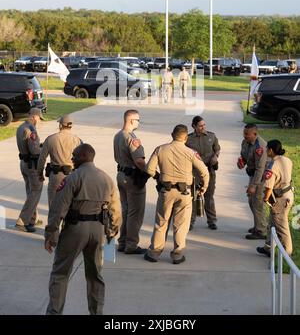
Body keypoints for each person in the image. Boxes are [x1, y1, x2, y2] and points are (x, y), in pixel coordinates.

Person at [44, 143, 121, 315]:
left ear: (83, 157)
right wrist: (112, 232)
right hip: (98, 230)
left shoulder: (72, 178)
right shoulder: (106, 178)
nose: (71, 159)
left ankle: (54, 312)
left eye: (74, 156)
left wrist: (51, 233)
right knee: (95, 275)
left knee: (60, 273)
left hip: (75, 229)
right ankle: (96, 312)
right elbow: (116, 209)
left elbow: (59, 208)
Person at [144, 124, 209, 264]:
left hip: (166, 191)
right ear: (185, 137)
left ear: (172, 134)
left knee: (161, 222)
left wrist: (158, 176)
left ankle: (154, 252)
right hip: (185, 193)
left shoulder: (160, 149)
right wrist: (204, 186)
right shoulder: (191, 153)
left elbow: (149, 169)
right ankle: (177, 255)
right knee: (181, 225)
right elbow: (204, 172)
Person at [113, 109, 147, 254]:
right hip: (132, 177)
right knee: (135, 212)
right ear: (132, 120)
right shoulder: (131, 138)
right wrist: (150, 171)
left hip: (121, 174)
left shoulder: (118, 135)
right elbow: (139, 160)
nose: (139, 122)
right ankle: (131, 244)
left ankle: (122, 242)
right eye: (138, 120)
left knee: (126, 210)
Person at [257, 140, 294, 257]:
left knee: (282, 227)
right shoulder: (287, 160)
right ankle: (268, 247)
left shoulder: (272, 165)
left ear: (271, 150)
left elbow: (269, 187)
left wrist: (265, 199)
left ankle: (287, 254)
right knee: (272, 223)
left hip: (280, 199)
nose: (266, 150)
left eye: (267, 148)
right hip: (288, 194)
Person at [37, 114, 82, 208]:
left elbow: (42, 158)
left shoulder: (51, 139)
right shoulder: (77, 140)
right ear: (71, 126)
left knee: (53, 205)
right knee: (70, 205)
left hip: (56, 176)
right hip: (72, 176)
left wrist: (39, 174)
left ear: (60, 125)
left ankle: (53, 222)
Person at [186, 116, 220, 230]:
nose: (203, 127)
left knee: (209, 197)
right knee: (193, 197)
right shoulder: (188, 139)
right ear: (194, 126)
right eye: (200, 126)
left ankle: (212, 221)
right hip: (194, 173)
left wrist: (215, 157)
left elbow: (217, 149)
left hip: (209, 171)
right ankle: (190, 222)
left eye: (204, 125)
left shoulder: (211, 136)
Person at [15, 107, 44, 233]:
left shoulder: (20, 127)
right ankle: (23, 220)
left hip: (23, 163)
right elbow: (35, 151)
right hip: (32, 165)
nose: (39, 121)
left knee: (30, 191)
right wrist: (44, 149)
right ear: (34, 116)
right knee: (35, 191)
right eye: (39, 118)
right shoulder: (31, 130)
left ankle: (32, 217)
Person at [237, 123, 268, 240]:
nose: (244, 136)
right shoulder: (245, 142)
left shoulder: (261, 146)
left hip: (260, 177)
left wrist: (254, 185)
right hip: (252, 174)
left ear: (255, 134)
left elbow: (260, 168)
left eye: (247, 134)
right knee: (251, 202)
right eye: (244, 133)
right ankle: (258, 225)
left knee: (257, 203)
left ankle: (261, 231)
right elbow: (243, 157)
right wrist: (241, 163)